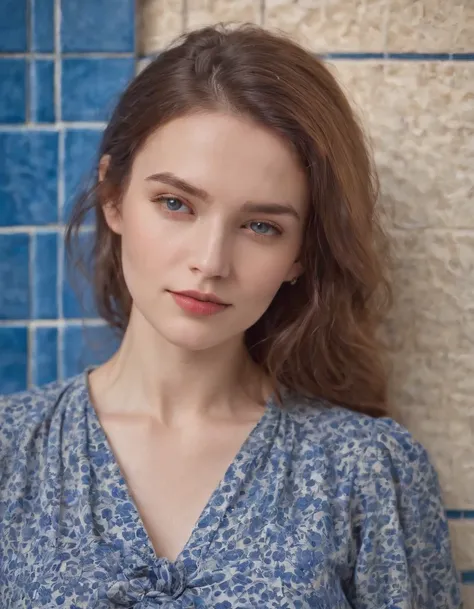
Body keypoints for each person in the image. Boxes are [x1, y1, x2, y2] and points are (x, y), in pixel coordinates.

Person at [0, 23, 461, 609]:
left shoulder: (369, 471)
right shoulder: (10, 452)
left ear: (301, 254)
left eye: (261, 226)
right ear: (114, 197)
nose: (210, 262)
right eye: (175, 204)